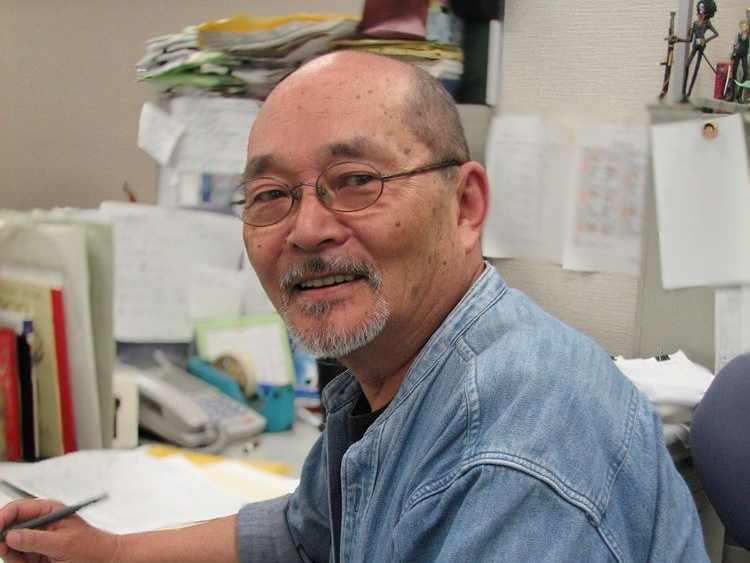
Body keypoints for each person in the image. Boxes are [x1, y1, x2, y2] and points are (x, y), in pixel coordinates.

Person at [0, 51, 709, 562]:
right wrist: (113, 552)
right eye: (270, 195)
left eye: (356, 180)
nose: (306, 229)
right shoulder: (393, 373)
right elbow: (308, 532)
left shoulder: (512, 455)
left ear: (465, 206)